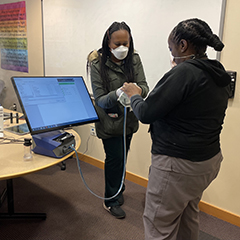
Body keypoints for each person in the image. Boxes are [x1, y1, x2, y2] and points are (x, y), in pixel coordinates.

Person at [121, 18, 231, 239]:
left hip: (178, 166)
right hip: (207, 162)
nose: (172, 55)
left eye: (172, 49)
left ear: (183, 45)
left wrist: (134, 94)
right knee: (187, 213)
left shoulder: (184, 73)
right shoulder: (216, 71)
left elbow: (146, 113)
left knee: (158, 224)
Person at [87, 21, 149, 219]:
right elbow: (101, 100)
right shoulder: (97, 64)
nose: (122, 48)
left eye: (126, 43)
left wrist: (136, 92)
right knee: (115, 159)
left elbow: (144, 87)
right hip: (109, 121)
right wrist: (119, 92)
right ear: (108, 41)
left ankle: (118, 189)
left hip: (129, 121)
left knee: (122, 157)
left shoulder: (134, 59)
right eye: (117, 44)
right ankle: (110, 200)